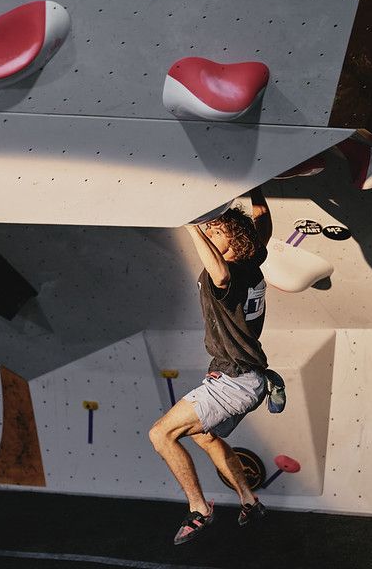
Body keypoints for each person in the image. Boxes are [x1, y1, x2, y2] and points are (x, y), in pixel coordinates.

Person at [149, 186, 272, 545]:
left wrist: (189, 224)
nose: (208, 230)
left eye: (215, 230)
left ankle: (199, 509)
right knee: (203, 435)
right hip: (245, 378)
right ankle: (250, 501)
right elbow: (262, 226)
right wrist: (257, 189)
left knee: (161, 434)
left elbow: (218, 275)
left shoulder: (229, 274)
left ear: (233, 241)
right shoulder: (253, 261)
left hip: (233, 381)